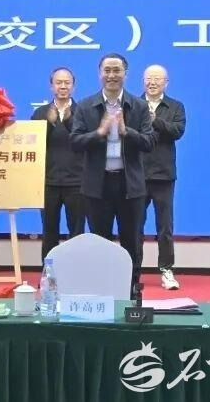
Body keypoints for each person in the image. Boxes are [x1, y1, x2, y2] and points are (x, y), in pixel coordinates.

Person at [70, 52, 157, 298]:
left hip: (130, 185)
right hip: (97, 185)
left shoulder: (139, 106)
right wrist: (99, 133)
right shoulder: (85, 106)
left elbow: (150, 142)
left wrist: (126, 131)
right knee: (100, 242)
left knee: (132, 241)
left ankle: (131, 290)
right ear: (100, 73)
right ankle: (102, 290)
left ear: (125, 74)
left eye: (116, 70)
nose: (111, 75)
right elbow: (75, 142)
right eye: (107, 70)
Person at [31, 67, 85, 263]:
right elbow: (33, 145)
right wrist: (49, 123)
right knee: (49, 231)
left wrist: (69, 122)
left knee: (77, 232)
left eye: (67, 82)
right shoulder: (40, 113)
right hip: (48, 182)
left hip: (76, 182)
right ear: (51, 86)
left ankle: (75, 271)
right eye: (58, 82)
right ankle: (48, 273)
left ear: (73, 86)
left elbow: (86, 142)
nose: (63, 86)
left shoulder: (83, 112)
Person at [141, 64, 187, 290]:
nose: (152, 82)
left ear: (166, 83)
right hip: (137, 174)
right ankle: (132, 270)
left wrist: (154, 120)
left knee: (165, 227)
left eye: (157, 79)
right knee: (133, 226)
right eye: (149, 78)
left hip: (164, 176)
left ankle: (167, 270)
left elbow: (177, 131)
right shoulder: (133, 104)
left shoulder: (175, 106)